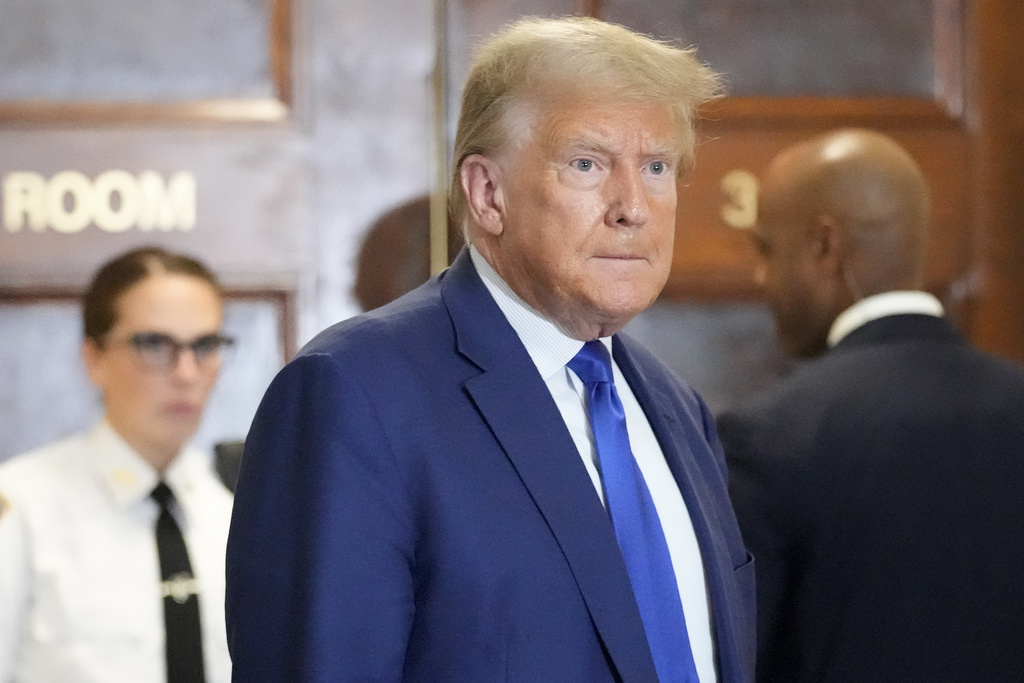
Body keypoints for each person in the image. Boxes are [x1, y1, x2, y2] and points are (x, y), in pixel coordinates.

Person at [227, 16, 754, 683]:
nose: (633, 207)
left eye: (656, 167)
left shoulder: (677, 408)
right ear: (487, 193)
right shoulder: (354, 396)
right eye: (588, 163)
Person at [717, 129, 1024, 681]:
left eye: (766, 249)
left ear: (825, 246)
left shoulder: (768, 438)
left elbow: (738, 659)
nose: (761, 278)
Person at [0, 246, 237, 682]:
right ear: (94, 357)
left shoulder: (234, 506)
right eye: (154, 344)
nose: (186, 373)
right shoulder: (21, 507)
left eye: (205, 345)